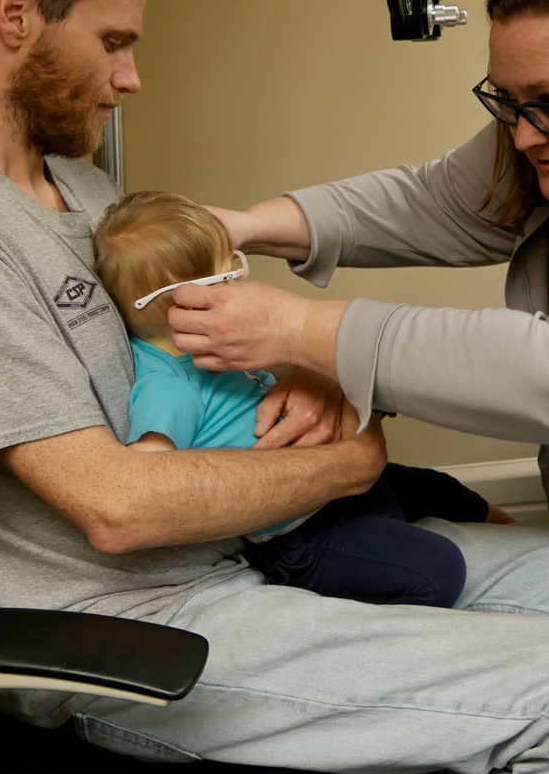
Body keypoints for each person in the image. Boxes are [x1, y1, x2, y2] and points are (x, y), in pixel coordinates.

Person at [0, 0, 549, 774]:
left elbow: (189, 352)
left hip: (236, 562)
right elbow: (114, 507)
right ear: (15, 13)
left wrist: (306, 380)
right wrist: (349, 462)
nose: (131, 79)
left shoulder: (81, 191)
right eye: (114, 42)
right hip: (125, 629)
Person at [166, 0, 549, 774]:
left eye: (548, 104)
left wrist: (306, 334)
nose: (525, 133)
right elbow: (435, 199)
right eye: (505, 100)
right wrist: (242, 225)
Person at [93, 189, 516, 609]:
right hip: (301, 534)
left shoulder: (213, 346)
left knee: (439, 488)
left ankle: (527, 537)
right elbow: (149, 472)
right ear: (183, 296)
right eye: (231, 272)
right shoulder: (167, 386)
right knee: (437, 570)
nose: (243, 280)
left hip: (333, 488)